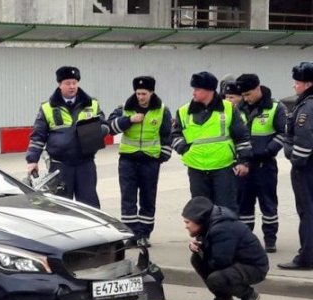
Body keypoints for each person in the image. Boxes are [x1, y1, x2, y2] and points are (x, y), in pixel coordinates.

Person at [25, 66, 109, 208]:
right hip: (60, 166)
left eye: (74, 83)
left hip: (85, 164)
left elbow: (105, 126)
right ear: (59, 84)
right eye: (68, 83)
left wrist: (97, 131)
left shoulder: (92, 104)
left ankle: (90, 231)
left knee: (89, 205)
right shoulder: (47, 108)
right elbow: (38, 136)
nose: (72, 86)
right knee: (61, 207)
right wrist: (32, 160)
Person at [171, 71, 252, 212]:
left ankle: (226, 235)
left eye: (197, 89)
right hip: (196, 168)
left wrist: (243, 162)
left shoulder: (228, 109)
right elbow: (174, 135)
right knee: (201, 211)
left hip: (223, 168)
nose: (193, 93)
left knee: (226, 209)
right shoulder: (184, 111)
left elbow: (241, 136)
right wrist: (184, 149)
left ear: (209, 91)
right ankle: (204, 235)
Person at [108, 76, 172, 247]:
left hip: (150, 161)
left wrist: (163, 156)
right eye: (138, 93)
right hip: (128, 160)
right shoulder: (125, 108)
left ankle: (144, 234)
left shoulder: (162, 110)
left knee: (148, 198)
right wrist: (129, 120)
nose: (140, 97)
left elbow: (167, 136)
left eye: (144, 93)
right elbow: (110, 128)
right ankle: (131, 234)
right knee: (128, 197)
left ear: (151, 92)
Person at [182, 196, 269, 300]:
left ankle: (249, 295)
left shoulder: (222, 228)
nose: (186, 226)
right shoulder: (210, 223)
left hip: (254, 267)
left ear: (199, 220)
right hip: (238, 261)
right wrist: (197, 247)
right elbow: (209, 245)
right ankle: (224, 299)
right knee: (197, 259)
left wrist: (203, 250)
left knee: (216, 278)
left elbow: (220, 262)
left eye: (188, 222)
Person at [235, 74, 287, 253]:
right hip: (243, 165)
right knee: (244, 207)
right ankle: (246, 240)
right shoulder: (238, 109)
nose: (246, 98)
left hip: (265, 165)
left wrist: (269, 150)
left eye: (249, 94)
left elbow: (284, 133)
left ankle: (270, 240)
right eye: (243, 95)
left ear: (258, 88)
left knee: (268, 205)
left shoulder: (275, 107)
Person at [278, 62, 313, 270]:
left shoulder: (306, 107)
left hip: (306, 168)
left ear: (307, 84)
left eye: (297, 82)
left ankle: (306, 257)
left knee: (307, 211)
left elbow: (304, 139)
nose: (294, 86)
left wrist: (294, 159)